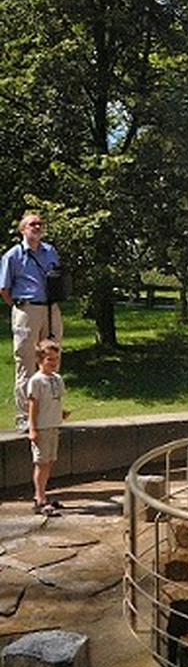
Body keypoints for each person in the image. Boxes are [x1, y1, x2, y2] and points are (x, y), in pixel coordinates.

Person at [0, 213, 64, 430]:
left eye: (40, 223)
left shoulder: (50, 251)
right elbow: (4, 289)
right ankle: (24, 417)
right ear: (22, 230)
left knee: (53, 359)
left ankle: (50, 415)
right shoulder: (12, 256)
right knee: (26, 362)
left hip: (51, 309)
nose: (37, 226)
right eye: (32, 224)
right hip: (27, 309)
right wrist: (21, 308)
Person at [27, 338, 69, 516]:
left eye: (56, 359)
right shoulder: (36, 381)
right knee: (41, 463)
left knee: (50, 461)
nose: (53, 363)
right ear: (40, 360)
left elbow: (54, 401)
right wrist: (33, 428)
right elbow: (33, 406)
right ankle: (39, 498)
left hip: (54, 425)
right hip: (42, 427)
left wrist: (61, 413)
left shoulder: (57, 379)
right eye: (49, 359)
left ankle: (43, 494)